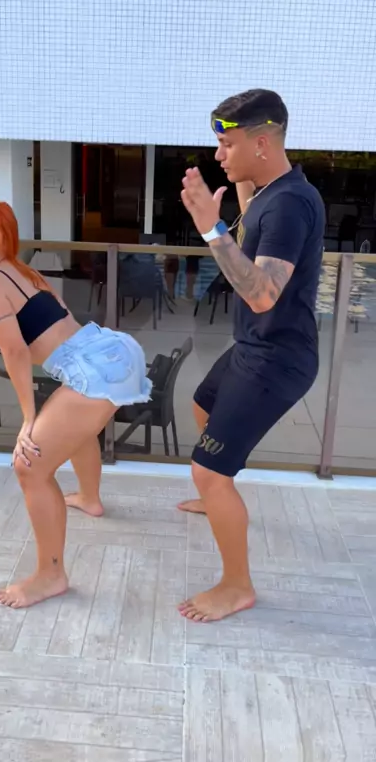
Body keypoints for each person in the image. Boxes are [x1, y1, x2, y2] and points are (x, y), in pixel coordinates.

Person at [0, 198, 151, 609]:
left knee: (29, 464)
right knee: (72, 428)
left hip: (90, 365)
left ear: (6, 238)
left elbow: (15, 351)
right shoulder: (21, 270)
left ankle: (51, 576)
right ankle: (89, 498)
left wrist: (27, 419)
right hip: (108, 349)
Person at [176, 89, 325, 623]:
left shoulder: (289, 205)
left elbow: (262, 294)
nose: (218, 155)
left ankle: (237, 585)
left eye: (228, 145)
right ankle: (218, 492)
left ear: (262, 144)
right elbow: (252, 230)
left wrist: (209, 228)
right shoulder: (270, 190)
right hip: (253, 347)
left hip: (277, 359)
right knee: (202, 405)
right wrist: (238, 188)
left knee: (207, 470)